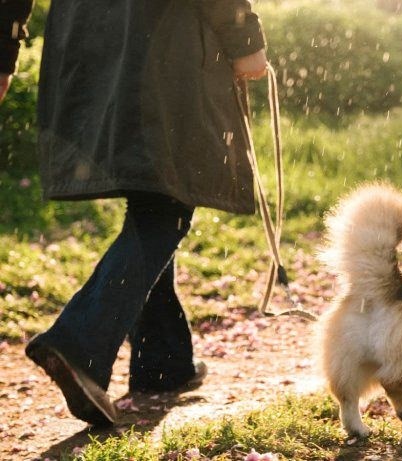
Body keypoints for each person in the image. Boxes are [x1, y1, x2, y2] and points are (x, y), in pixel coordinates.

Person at [1, 0, 271, 426]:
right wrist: (243, 38)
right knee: (169, 203)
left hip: (86, 39)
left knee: (155, 191)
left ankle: (163, 364)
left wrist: (4, 49)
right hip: (164, 39)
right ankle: (79, 344)